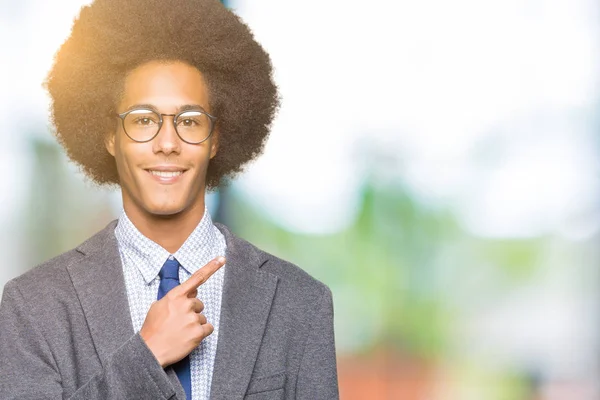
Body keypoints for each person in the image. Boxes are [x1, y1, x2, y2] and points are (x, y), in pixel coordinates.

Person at [0, 0, 339, 399]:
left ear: (216, 140)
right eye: (143, 120)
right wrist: (146, 356)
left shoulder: (300, 304)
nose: (167, 143)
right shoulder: (34, 305)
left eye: (189, 121)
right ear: (110, 136)